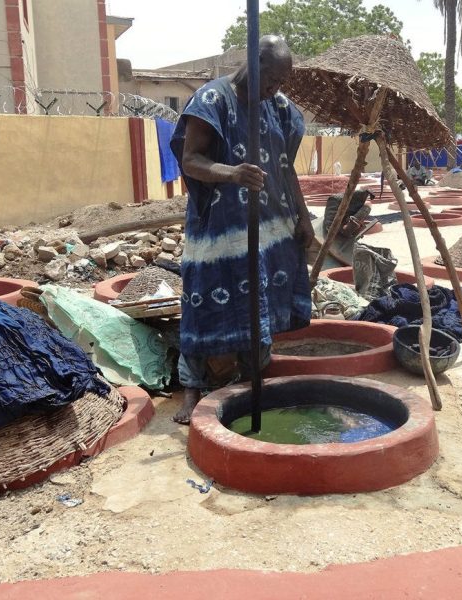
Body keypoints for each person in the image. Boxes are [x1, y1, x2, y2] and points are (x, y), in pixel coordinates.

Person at [169, 35, 313, 424]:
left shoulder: (279, 108)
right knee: (201, 302)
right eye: (272, 80)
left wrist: (303, 217)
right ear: (252, 63)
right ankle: (192, 389)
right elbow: (191, 159)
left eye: (282, 83)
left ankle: (253, 378)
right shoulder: (212, 101)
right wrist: (231, 173)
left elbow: (286, 168)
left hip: (266, 228)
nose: (275, 90)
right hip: (217, 229)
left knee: (259, 303)